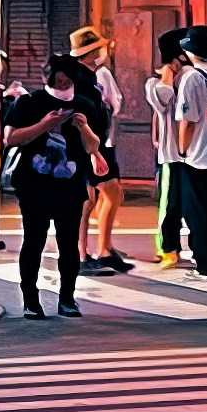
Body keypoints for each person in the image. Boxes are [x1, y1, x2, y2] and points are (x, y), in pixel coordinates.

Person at [2, 81, 99, 319]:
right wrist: (45, 125)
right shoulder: (28, 103)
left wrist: (83, 127)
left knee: (68, 244)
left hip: (70, 187)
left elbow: (94, 145)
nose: (63, 81)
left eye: (68, 76)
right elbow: (11, 138)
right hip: (34, 187)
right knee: (34, 241)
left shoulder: (83, 104)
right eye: (58, 75)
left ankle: (67, 298)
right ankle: (30, 300)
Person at [160, 30, 207, 276]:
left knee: (198, 212)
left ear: (190, 51)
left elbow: (188, 121)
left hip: (199, 156)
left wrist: (183, 151)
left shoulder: (192, 77)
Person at [63, 29, 129, 272]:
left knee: (100, 195)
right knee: (90, 197)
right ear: (89, 53)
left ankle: (100, 249)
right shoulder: (80, 79)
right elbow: (80, 116)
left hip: (96, 145)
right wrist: (93, 151)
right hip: (87, 147)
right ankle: (84, 254)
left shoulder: (89, 76)